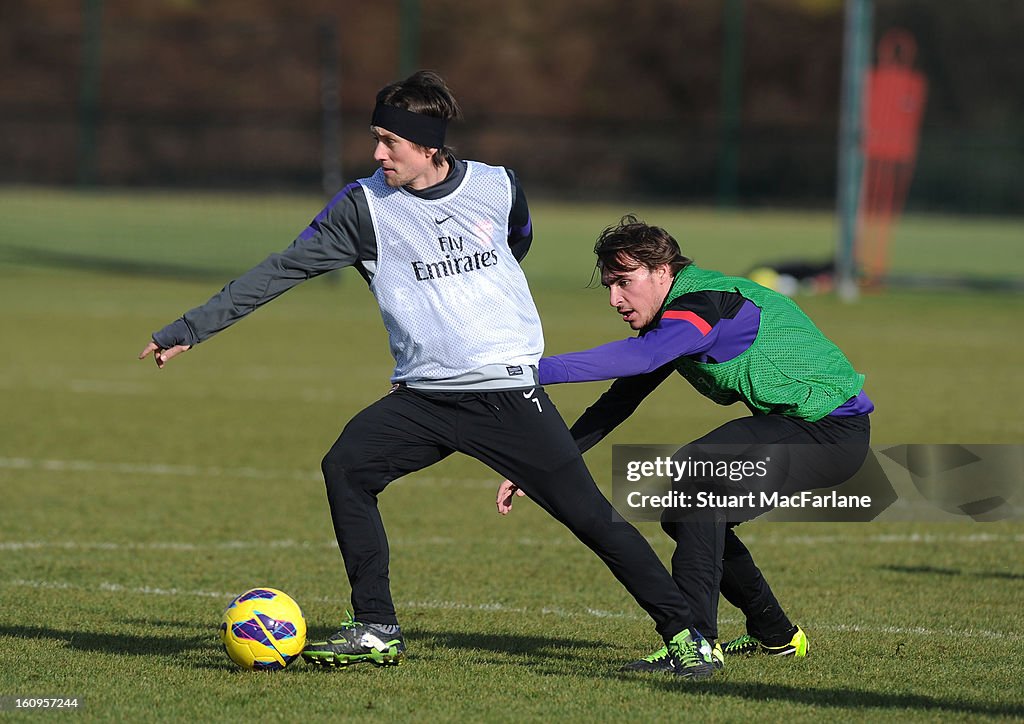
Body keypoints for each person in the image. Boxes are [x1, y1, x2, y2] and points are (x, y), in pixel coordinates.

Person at [138, 73, 719, 679]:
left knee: (591, 519)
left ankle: (688, 637)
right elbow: (282, 269)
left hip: (507, 395)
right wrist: (191, 327)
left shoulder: (499, 186)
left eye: (390, 141)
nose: (377, 153)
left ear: (429, 146)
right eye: (376, 139)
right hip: (425, 397)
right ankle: (375, 627)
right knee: (347, 466)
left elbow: (514, 245)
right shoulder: (362, 208)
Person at [497, 214, 873, 671]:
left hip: (830, 431)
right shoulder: (674, 317)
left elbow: (643, 356)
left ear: (662, 271)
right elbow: (620, 399)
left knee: (697, 470)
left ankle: (695, 643)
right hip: (812, 429)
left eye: (624, 281)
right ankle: (775, 633)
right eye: (608, 286)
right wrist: (542, 463)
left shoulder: (702, 303)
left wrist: (525, 370)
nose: (615, 298)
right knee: (686, 513)